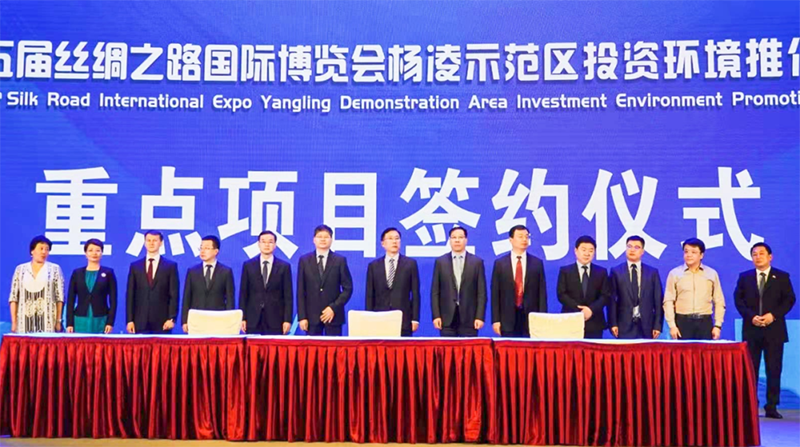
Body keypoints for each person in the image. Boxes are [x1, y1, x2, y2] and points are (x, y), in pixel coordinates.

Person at [734, 242, 796, 419]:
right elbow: (738, 300)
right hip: (751, 329)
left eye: (761, 253)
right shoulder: (745, 277)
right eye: (754, 254)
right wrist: (751, 316)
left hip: (774, 330)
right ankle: (751, 405)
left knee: (774, 369)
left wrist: (773, 316)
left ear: (770, 257)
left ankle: (772, 406)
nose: (758, 257)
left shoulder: (782, 277)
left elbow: (789, 300)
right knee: (750, 369)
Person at [663, 238, 725, 340]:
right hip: (682, 322)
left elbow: (719, 301)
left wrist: (718, 325)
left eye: (693, 252)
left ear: (701, 255)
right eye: (686, 251)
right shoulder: (675, 274)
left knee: (704, 351)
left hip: (705, 322)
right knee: (683, 351)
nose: (689, 255)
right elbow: (668, 301)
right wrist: (672, 325)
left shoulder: (711, 274)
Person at [491, 225, 547, 337]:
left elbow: (542, 294)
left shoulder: (537, 263)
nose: (524, 240)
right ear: (511, 240)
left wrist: (542, 318)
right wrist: (496, 320)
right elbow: (495, 294)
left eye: (526, 236)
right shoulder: (500, 264)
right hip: (507, 318)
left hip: (531, 318)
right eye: (520, 236)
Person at [297, 225, 353, 336]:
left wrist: (333, 307)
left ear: (331, 240)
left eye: (326, 237)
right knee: (312, 347)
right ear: (314, 240)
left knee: (334, 347)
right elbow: (301, 291)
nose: (323, 239)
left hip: (333, 316)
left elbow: (348, 289)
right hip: (311, 317)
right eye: (319, 236)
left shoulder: (340, 260)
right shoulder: (304, 260)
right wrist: (302, 317)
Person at [431, 227, 487, 337]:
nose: (457, 240)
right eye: (454, 237)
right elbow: (435, 292)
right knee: (448, 347)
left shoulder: (477, 262)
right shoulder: (440, 262)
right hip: (446, 318)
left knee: (468, 348)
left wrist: (480, 316)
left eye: (460, 237)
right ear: (449, 240)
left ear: (466, 240)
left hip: (470, 318)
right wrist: (436, 315)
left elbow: (481, 292)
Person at [365, 227, 420, 336]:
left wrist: (415, 319)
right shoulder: (374, 266)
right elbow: (369, 295)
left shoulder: (410, 264)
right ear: (383, 243)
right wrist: (369, 317)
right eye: (390, 238)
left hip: (403, 318)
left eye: (397, 238)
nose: (394, 241)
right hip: (379, 317)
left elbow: (415, 294)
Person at [608, 236, 663, 339]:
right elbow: (612, 301)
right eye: (629, 246)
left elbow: (658, 301)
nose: (632, 250)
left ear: (642, 251)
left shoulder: (652, 272)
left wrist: (657, 325)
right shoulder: (616, 271)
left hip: (647, 325)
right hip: (623, 324)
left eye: (637, 247)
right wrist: (613, 323)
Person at [126, 230, 179, 334]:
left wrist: (171, 318)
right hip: (139, 321)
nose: (151, 243)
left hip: (162, 321)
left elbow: (174, 295)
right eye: (148, 240)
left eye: (155, 240)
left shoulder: (170, 266)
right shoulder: (135, 266)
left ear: (161, 243)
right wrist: (129, 320)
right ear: (144, 243)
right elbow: (130, 295)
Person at [240, 231, 293, 335]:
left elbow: (288, 296)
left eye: (270, 242)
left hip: (276, 319)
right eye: (263, 242)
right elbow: (243, 294)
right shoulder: (248, 265)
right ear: (258, 244)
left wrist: (287, 320)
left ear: (275, 245)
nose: (267, 245)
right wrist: (243, 318)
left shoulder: (284, 267)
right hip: (253, 318)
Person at [557, 235, 610, 339]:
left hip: (594, 321)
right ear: (576, 251)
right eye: (583, 250)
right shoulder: (565, 271)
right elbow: (561, 294)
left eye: (591, 250)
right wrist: (580, 310)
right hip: (571, 319)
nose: (587, 253)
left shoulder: (601, 272)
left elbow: (605, 296)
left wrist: (590, 310)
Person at [9, 235, 64, 333]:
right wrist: (14, 322)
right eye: (41, 248)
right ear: (32, 251)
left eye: (47, 249)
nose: (44, 252)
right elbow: (13, 297)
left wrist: (58, 321)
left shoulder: (54, 269)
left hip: (47, 322)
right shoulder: (20, 270)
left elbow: (59, 298)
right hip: (24, 322)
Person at [181, 235, 235, 333]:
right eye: (201, 248)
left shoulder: (226, 272)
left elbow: (230, 299)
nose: (202, 251)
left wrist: (229, 320)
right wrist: (185, 320)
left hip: (218, 320)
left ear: (216, 251)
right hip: (196, 320)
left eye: (207, 248)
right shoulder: (192, 271)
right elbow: (186, 298)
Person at [66, 239, 117, 334]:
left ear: (102, 253)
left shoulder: (108, 273)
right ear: (85, 253)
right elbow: (70, 300)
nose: (94, 253)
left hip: (101, 318)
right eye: (90, 250)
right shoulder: (77, 273)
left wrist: (110, 322)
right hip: (80, 319)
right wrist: (69, 323)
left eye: (98, 250)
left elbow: (113, 301)